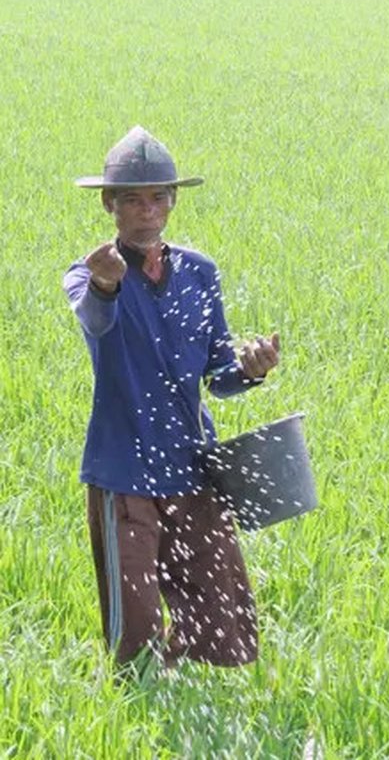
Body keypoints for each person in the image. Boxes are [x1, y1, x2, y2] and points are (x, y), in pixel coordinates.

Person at [63, 125, 280, 670]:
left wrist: (250, 369)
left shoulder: (199, 273)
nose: (147, 211)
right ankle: (144, 695)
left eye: (158, 197)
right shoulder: (89, 274)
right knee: (132, 634)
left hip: (192, 466)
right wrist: (106, 285)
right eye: (132, 199)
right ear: (109, 205)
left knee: (219, 615)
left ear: (173, 200)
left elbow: (218, 373)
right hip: (123, 473)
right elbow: (95, 318)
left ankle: (185, 678)